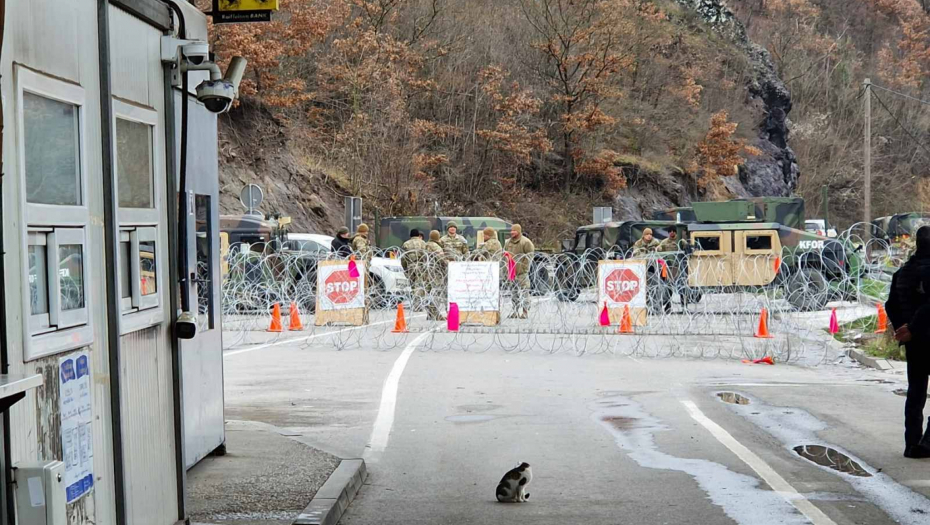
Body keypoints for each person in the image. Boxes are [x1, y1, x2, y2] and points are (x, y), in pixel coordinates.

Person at [886, 225, 930, 458]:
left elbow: (890, 304)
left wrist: (903, 328)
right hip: (924, 336)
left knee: (916, 393)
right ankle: (927, 443)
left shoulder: (904, 271)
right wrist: (912, 328)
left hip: (914, 342)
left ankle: (912, 443)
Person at [504, 224, 535, 319]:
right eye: (511, 230)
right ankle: (515, 311)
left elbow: (530, 255)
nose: (512, 232)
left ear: (519, 231)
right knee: (514, 293)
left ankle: (525, 312)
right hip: (511, 271)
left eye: (514, 231)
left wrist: (524, 267)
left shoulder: (525, 242)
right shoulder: (508, 242)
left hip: (521, 272)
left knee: (524, 291)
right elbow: (505, 254)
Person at [401, 230, 427, 311]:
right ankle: (418, 304)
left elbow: (404, 258)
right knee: (420, 285)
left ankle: (415, 303)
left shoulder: (406, 244)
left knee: (413, 286)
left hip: (411, 266)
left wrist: (405, 268)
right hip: (421, 266)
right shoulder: (423, 243)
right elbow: (426, 256)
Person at [424, 230, 446, 320]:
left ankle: (430, 313)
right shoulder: (435, 246)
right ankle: (435, 314)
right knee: (436, 292)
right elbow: (441, 258)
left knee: (429, 292)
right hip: (435, 272)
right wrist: (448, 262)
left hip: (426, 271)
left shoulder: (425, 245)